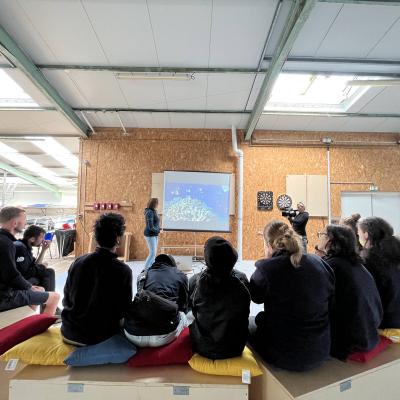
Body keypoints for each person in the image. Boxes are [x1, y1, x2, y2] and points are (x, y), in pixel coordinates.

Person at [249, 220, 334, 372]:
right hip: (321, 349)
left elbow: (255, 297)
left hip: (284, 355)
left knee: (250, 323)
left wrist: (268, 261)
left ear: (269, 245)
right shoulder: (318, 262)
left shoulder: (267, 269)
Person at [61, 213, 133, 346]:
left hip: (69, 330)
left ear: (95, 237)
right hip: (98, 336)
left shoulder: (78, 262)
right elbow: (124, 310)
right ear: (118, 239)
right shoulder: (123, 271)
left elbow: (66, 299)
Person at [317, 224, 382, 359]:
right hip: (370, 334)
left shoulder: (331, 266)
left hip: (349, 342)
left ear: (330, 241)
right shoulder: (358, 265)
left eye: (321, 234)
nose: (318, 237)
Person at [189, 236, 250, 359]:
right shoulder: (242, 279)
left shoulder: (195, 281)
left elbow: (193, 310)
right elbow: (246, 310)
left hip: (203, 347)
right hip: (236, 347)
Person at [0, 207, 59, 314]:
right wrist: (30, 287)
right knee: (54, 297)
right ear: (15, 223)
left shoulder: (7, 242)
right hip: (4, 296)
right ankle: (43, 327)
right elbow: (13, 275)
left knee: (41, 287)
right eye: (24, 219)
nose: (26, 222)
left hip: (6, 290)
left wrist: (43, 250)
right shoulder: (8, 245)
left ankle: (24, 321)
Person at [124, 254, 188, 347]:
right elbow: (183, 306)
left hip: (134, 334)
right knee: (182, 314)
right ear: (173, 265)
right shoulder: (180, 275)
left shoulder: (142, 275)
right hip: (164, 335)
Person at [358, 217, 400, 329]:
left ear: (366, 234)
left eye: (359, 233)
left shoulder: (369, 259)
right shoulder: (395, 252)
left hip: (385, 324)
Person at [14, 225, 56, 293]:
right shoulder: (20, 249)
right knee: (47, 274)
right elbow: (24, 274)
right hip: (15, 284)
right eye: (42, 237)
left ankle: (48, 299)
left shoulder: (25, 247)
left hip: (21, 279)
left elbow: (35, 265)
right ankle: (49, 300)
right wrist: (42, 267)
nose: (43, 240)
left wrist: (43, 250)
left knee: (48, 272)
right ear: (32, 239)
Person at [143, 198, 161, 271]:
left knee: (154, 253)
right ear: (154, 204)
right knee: (152, 253)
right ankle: (145, 269)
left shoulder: (154, 211)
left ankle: (152, 268)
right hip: (150, 234)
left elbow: (155, 223)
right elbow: (150, 227)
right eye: (157, 203)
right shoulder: (149, 212)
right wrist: (158, 230)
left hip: (155, 234)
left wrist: (158, 230)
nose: (158, 205)